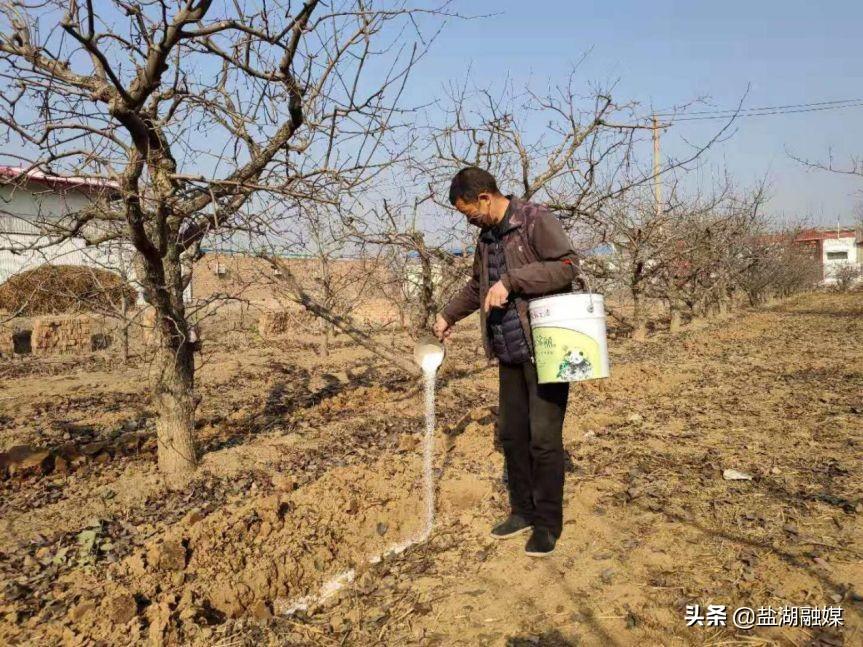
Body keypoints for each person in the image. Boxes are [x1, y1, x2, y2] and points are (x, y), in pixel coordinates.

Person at [433, 167, 581, 557]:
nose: (470, 220)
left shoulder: (535, 219)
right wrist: (448, 315)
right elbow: (477, 286)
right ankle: (523, 511)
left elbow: (566, 267)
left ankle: (548, 524)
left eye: (469, 212)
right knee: (513, 435)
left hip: (548, 347)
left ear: (484, 198)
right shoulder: (486, 237)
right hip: (508, 349)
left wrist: (513, 281)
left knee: (544, 440)